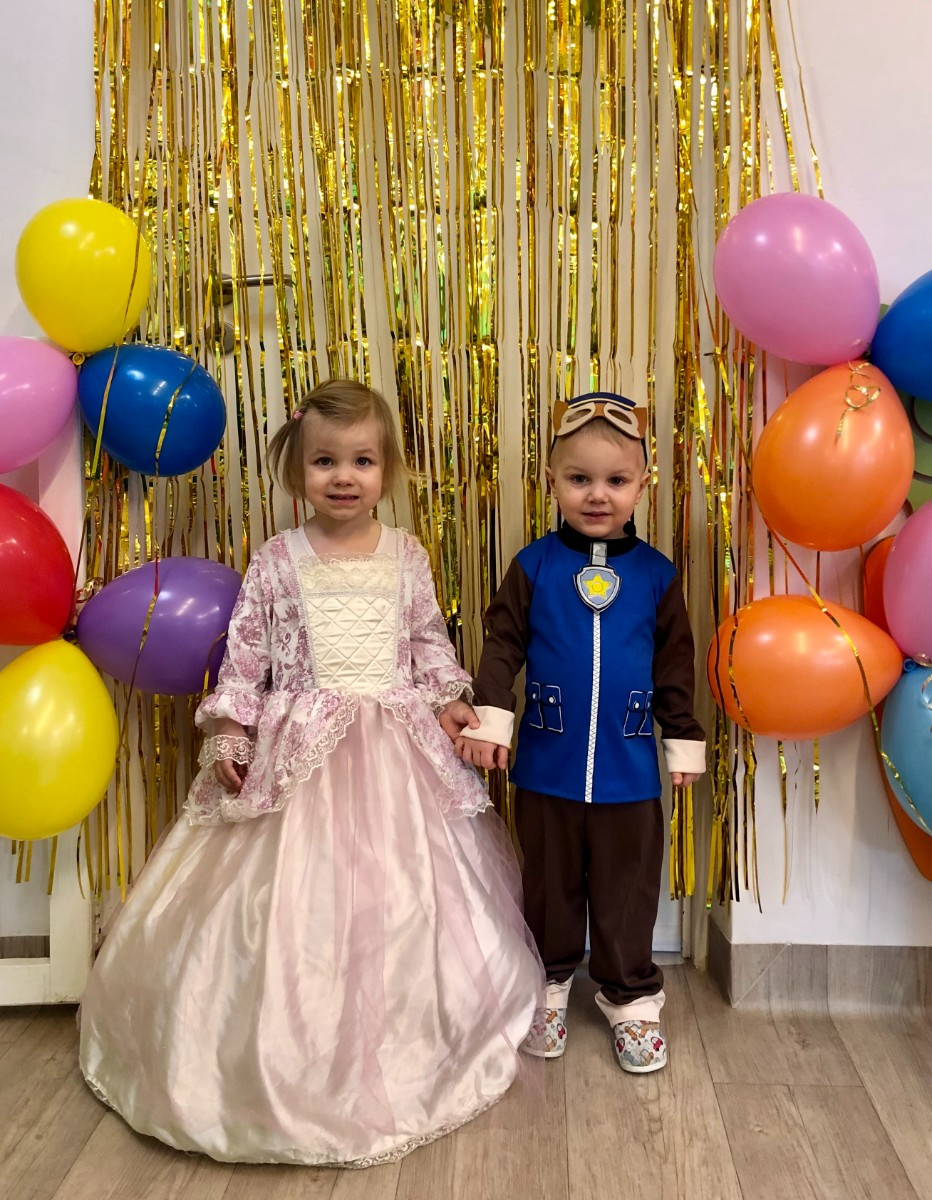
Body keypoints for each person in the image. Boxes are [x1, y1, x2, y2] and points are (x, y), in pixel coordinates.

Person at [79, 378, 543, 1167]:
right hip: (300, 755)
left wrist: (450, 700)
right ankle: (271, 1052)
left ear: (386, 471)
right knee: (288, 899)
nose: (344, 477)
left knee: (400, 899)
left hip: (395, 754)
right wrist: (232, 729)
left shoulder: (406, 554)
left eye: (362, 461)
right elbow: (246, 656)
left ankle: (412, 1038)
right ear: (299, 470)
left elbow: (426, 641)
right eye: (325, 461)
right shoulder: (275, 560)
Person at [441, 391, 705, 1074]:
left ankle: (631, 995)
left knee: (626, 890)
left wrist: (681, 736)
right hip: (547, 764)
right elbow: (502, 646)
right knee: (549, 885)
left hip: (629, 769)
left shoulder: (657, 576)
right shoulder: (533, 566)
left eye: (616, 480)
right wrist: (492, 718)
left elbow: (675, 665)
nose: (597, 495)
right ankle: (548, 983)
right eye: (579, 478)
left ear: (642, 485)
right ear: (551, 481)